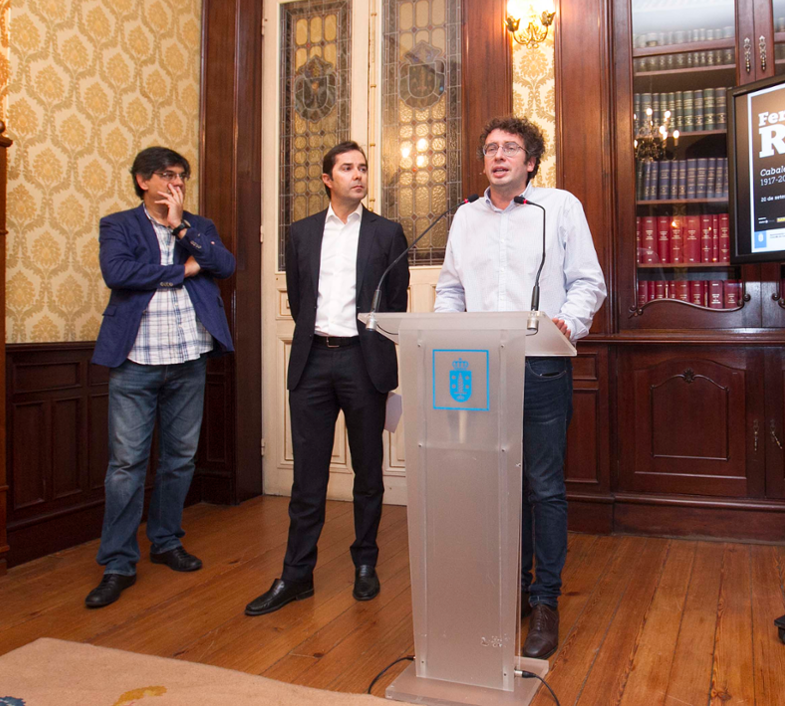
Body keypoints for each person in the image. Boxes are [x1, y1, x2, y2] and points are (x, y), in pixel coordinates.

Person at [433, 116, 606, 659]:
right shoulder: (465, 217)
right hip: (478, 370)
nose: (498, 155)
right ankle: (505, 589)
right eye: (490, 148)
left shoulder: (560, 207)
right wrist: (445, 333)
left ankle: (545, 600)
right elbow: (451, 289)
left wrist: (568, 322)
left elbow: (588, 281)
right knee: (493, 486)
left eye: (510, 148)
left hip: (540, 366)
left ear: (530, 162)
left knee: (542, 486)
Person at [245, 141, 409, 617]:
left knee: (368, 472)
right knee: (307, 477)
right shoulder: (301, 232)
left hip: (364, 362)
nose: (358, 175)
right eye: (347, 168)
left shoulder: (387, 233)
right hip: (313, 361)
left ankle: (365, 563)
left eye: (363, 168)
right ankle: (296, 574)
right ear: (327, 179)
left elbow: (395, 302)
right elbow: (300, 300)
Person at [86, 147, 236, 608]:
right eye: (168, 175)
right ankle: (118, 562)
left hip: (189, 358)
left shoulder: (198, 226)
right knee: (126, 465)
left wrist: (179, 228)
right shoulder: (118, 225)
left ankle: (166, 541)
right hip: (136, 362)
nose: (177, 184)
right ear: (142, 181)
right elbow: (119, 273)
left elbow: (225, 265)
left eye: (182, 176)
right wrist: (184, 269)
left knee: (180, 460)